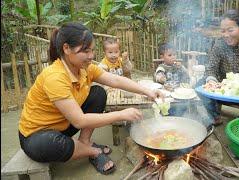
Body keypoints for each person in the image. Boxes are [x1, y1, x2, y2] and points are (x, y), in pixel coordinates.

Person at [18, 22, 163, 175]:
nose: (91, 56)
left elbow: (115, 80)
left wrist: (148, 91)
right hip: (36, 135)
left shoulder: (84, 68)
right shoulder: (54, 77)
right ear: (66, 48)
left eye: (92, 50)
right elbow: (79, 121)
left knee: (98, 93)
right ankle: (92, 151)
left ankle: (84, 142)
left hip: (63, 125)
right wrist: (121, 114)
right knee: (58, 144)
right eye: (85, 51)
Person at [154, 43, 190, 116]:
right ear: (162, 57)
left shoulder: (178, 66)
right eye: (170, 55)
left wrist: (182, 67)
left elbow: (187, 75)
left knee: (182, 109)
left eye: (174, 54)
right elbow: (158, 77)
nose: (173, 57)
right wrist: (164, 81)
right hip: (167, 95)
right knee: (167, 112)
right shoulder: (162, 67)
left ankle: (178, 118)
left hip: (178, 93)